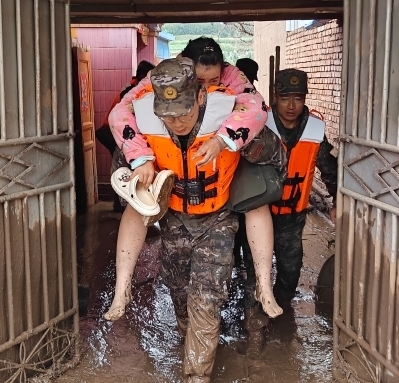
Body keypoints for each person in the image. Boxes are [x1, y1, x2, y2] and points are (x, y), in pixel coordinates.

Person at [115, 56, 286, 383]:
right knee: (181, 300)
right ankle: (190, 343)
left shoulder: (231, 111)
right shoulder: (141, 120)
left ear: (200, 96)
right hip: (174, 222)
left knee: (206, 304)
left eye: (184, 112)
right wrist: (137, 165)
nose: (176, 122)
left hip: (217, 222)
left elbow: (276, 156)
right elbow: (120, 173)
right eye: (168, 115)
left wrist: (240, 147)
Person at [104, 38, 281, 323]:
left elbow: (257, 110)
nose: (208, 90)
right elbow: (120, 114)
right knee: (137, 207)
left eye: (213, 81)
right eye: (201, 82)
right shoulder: (161, 82)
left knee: (255, 201)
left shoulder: (231, 86)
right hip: (173, 200)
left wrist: (223, 140)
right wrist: (140, 157)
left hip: (219, 196)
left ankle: (264, 284)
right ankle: (122, 288)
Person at [267, 69, 338, 302]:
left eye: (297, 98)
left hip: (293, 216)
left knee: (290, 271)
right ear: (275, 97)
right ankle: (253, 312)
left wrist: (337, 202)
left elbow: (329, 168)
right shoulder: (261, 123)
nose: (291, 106)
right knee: (254, 268)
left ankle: (282, 308)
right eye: (284, 98)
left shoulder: (314, 129)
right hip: (260, 213)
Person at [95, 60, 156, 156]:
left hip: (112, 127)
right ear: (142, 76)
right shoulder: (131, 89)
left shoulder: (132, 85)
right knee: (122, 156)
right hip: (111, 128)